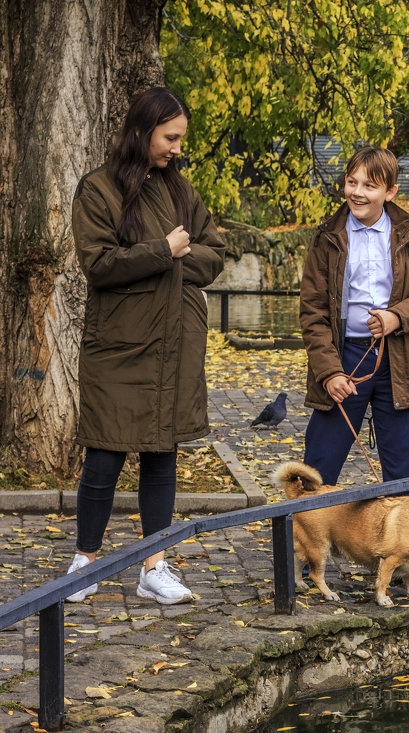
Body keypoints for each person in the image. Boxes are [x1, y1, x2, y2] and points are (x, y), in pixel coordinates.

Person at [67, 86, 225, 604]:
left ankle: (154, 565)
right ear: (142, 131)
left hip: (175, 345)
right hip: (119, 346)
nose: (177, 148)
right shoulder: (98, 189)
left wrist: (174, 256)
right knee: (105, 457)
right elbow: (99, 265)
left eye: (180, 138)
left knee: (162, 456)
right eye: (170, 137)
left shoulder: (183, 192)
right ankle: (84, 561)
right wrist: (163, 249)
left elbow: (214, 253)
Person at [299, 146, 409, 589]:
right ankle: (307, 558)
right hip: (343, 358)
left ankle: (408, 563)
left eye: (369, 185)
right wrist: (329, 371)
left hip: (396, 360)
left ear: (390, 190)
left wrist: (397, 317)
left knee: (403, 469)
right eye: (351, 182)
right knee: (319, 464)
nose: (357, 192)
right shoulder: (327, 236)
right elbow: (312, 312)